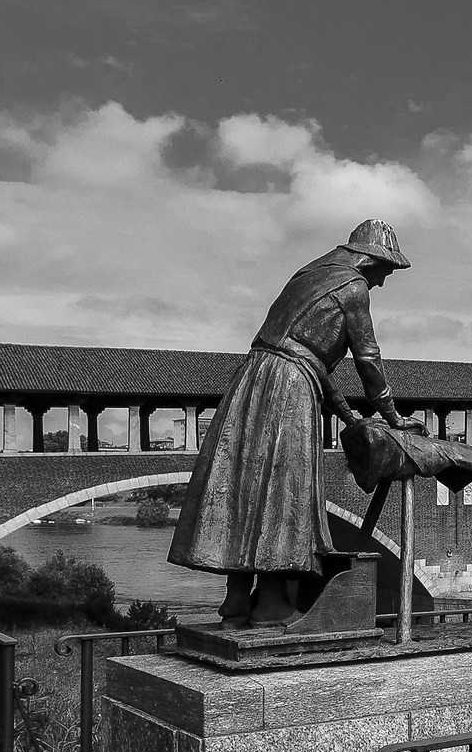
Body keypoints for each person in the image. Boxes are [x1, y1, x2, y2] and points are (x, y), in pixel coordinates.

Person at [168, 220, 413, 627]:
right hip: (290, 389)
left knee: (247, 485)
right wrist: (394, 417)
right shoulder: (351, 288)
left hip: (253, 379)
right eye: (385, 272)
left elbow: (304, 354)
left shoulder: (306, 278)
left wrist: (347, 415)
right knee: (284, 489)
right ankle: (271, 602)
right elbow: (368, 358)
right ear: (371, 259)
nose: (383, 283)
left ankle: (234, 599)